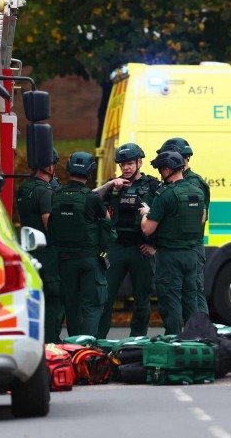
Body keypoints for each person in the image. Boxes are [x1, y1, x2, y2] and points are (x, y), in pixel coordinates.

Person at [93, 143, 160, 338]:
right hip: (117, 248)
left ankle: (137, 341)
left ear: (139, 162)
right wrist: (110, 185)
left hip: (141, 249)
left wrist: (155, 246)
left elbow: (166, 216)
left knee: (142, 300)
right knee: (105, 297)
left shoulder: (153, 185)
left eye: (130, 163)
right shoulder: (113, 185)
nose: (126, 168)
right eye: (122, 164)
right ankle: (99, 341)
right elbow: (89, 199)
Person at [49, 151, 116, 337]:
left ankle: (73, 345)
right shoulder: (92, 198)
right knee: (92, 305)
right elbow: (107, 226)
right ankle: (87, 345)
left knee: (71, 305)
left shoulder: (57, 195)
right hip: (89, 260)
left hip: (64, 261)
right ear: (90, 171)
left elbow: (51, 226)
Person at [139, 150, 206, 335]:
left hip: (170, 257)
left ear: (168, 169)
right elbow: (201, 219)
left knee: (171, 302)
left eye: (161, 169)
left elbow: (148, 229)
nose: (160, 173)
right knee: (191, 300)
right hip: (191, 255)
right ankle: (194, 340)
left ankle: (174, 341)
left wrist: (146, 214)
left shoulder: (165, 194)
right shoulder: (197, 191)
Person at [157, 138, 210, 320]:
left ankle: (200, 332)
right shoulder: (181, 182)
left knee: (194, 296)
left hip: (189, 247)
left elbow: (197, 217)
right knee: (188, 296)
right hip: (185, 247)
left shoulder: (192, 183)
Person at [16, 148, 63, 343]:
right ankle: (51, 342)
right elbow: (49, 225)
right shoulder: (45, 192)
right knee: (53, 300)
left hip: (30, 251)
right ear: (50, 166)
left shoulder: (24, 188)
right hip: (48, 254)